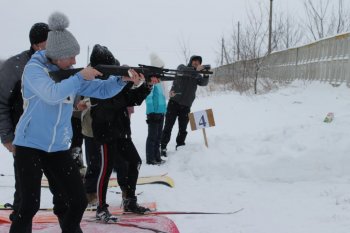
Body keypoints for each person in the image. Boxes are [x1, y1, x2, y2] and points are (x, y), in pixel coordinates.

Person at [9, 12, 127, 233]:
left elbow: (101, 90)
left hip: (58, 147)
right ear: (57, 55)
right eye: (71, 57)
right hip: (30, 145)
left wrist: (123, 80)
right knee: (28, 205)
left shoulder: (68, 74)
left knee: (77, 201)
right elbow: (52, 94)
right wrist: (80, 76)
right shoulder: (35, 70)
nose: (75, 61)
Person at [0, 22, 65, 230]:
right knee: (26, 199)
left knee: (64, 195)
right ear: (37, 45)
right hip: (26, 142)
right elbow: (1, 103)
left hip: (54, 143)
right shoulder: (15, 66)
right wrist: (8, 137)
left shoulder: (58, 64)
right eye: (49, 42)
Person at [89, 44, 158, 222]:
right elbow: (111, 103)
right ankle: (101, 209)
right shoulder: (94, 83)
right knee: (105, 170)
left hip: (121, 131)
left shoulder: (115, 80)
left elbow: (132, 99)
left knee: (134, 161)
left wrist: (147, 85)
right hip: (106, 133)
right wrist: (127, 82)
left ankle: (129, 200)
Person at [160, 55, 209, 156]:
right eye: (194, 61)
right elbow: (183, 70)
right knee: (168, 126)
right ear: (191, 61)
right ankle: (163, 147)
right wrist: (196, 70)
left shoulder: (197, 76)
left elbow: (203, 83)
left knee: (183, 129)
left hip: (186, 106)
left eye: (198, 62)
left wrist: (206, 74)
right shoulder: (182, 68)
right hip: (174, 103)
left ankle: (180, 146)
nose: (196, 62)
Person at [145, 53, 167, 165]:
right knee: (152, 136)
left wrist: (164, 110)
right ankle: (150, 158)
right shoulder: (151, 80)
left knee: (158, 137)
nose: (162, 70)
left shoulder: (161, 81)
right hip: (153, 112)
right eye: (161, 68)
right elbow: (148, 97)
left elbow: (162, 97)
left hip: (161, 112)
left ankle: (157, 157)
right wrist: (152, 111)